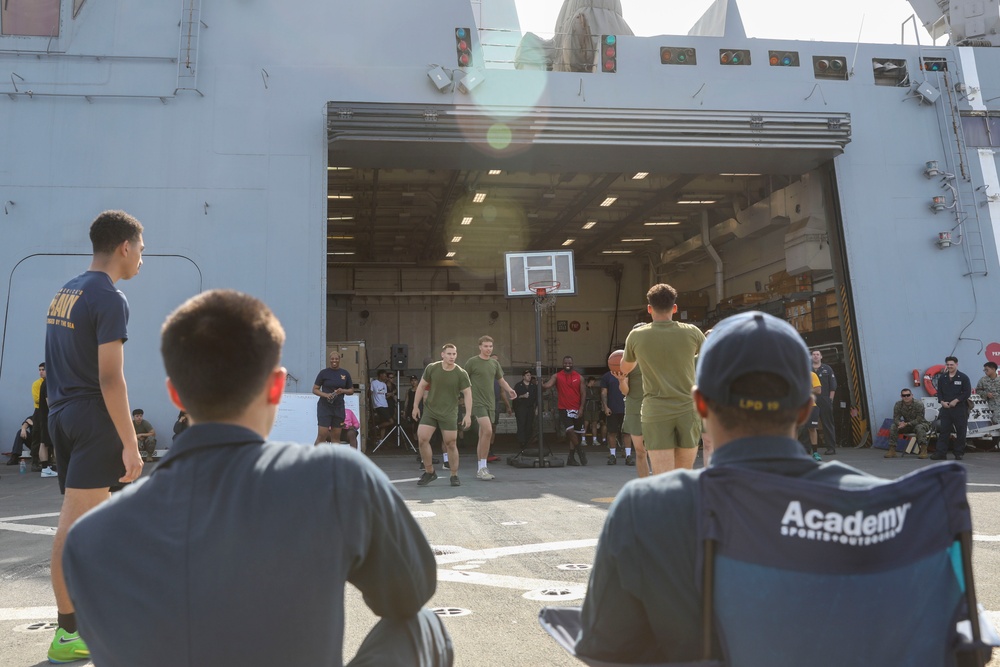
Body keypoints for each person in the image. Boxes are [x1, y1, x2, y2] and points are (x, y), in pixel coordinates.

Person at [61, 289, 453, 667]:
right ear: (277, 386)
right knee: (423, 627)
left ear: (175, 394)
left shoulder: (88, 539)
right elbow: (411, 592)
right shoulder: (337, 477)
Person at [573, 310, 890, 664]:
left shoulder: (647, 507)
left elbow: (608, 652)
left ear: (700, 405)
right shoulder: (879, 506)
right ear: (806, 410)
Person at [43, 209, 145, 663]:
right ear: (125, 246)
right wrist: (131, 440)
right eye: (141, 248)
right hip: (92, 418)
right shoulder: (109, 297)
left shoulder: (67, 290)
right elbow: (110, 378)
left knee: (99, 528)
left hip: (63, 413)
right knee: (76, 523)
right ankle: (68, 633)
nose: (143, 257)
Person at [620, 284, 705, 475]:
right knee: (684, 473)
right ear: (675, 308)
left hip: (656, 410)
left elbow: (624, 368)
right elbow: (710, 361)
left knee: (661, 477)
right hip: (687, 407)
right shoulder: (692, 332)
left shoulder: (636, 336)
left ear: (649, 309)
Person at [413, 343, 472, 487]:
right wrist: (415, 406)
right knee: (422, 439)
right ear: (443, 354)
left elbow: (467, 393)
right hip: (431, 411)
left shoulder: (460, 373)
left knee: (450, 443)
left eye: (454, 354)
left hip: (449, 412)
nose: (452, 356)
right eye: (449, 354)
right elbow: (421, 386)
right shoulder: (432, 368)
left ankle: (454, 474)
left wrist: (468, 414)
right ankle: (429, 472)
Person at [463, 337, 515, 481]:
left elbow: (501, 380)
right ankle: (483, 467)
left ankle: (481, 469)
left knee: (483, 435)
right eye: (486, 346)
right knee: (488, 430)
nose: (488, 348)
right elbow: (463, 379)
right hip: (477, 402)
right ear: (480, 347)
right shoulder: (472, 362)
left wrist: (510, 390)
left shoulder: (494, 363)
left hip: (491, 404)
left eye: (491, 346)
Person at [543, 355, 587, 465]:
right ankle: (580, 451)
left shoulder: (579, 377)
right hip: (564, 408)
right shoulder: (557, 376)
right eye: (565, 363)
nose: (567, 365)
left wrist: (581, 408)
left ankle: (571, 458)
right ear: (563, 364)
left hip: (577, 408)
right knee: (570, 431)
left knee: (576, 434)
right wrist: (542, 384)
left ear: (572, 364)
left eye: (569, 363)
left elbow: (583, 393)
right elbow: (548, 385)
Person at [931, 356, 971, 460]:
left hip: (959, 409)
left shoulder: (963, 377)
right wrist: (942, 402)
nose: (949, 366)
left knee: (961, 431)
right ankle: (941, 453)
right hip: (946, 409)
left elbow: (967, 392)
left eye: (951, 364)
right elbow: (939, 392)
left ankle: (959, 453)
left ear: (956, 364)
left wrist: (956, 400)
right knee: (944, 431)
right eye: (948, 364)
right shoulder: (942, 378)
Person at [312, 351, 354, 446]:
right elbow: (315, 389)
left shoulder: (345, 373)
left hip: (338, 407)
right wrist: (326, 395)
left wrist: (342, 391)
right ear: (329, 360)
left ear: (339, 360)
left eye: (336, 359)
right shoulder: (323, 373)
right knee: (322, 435)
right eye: (332, 359)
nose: (334, 360)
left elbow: (351, 390)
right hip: (325, 406)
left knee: (336, 436)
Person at [884, 388, 930, 459]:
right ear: (901, 396)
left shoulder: (918, 404)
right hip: (907, 425)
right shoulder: (898, 404)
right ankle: (892, 450)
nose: (906, 397)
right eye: (904, 395)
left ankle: (923, 450)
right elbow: (896, 417)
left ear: (912, 395)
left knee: (919, 427)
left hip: (921, 424)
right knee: (893, 426)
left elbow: (919, 419)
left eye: (908, 395)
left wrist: (906, 424)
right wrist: (899, 423)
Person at [811, 350, 838, 455]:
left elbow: (833, 386)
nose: (816, 356)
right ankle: (806, 448)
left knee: (827, 424)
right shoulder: (807, 369)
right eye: (813, 354)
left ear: (821, 356)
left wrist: (830, 400)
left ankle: (831, 448)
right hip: (811, 400)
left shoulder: (827, 369)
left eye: (817, 354)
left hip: (824, 399)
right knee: (809, 425)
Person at [600, 368, 625, 465]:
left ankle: (627, 453)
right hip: (612, 409)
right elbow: (603, 393)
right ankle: (613, 455)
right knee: (612, 432)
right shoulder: (607, 376)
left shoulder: (627, 374)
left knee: (626, 433)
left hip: (625, 408)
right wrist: (605, 407)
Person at [513, 370, 538, 449]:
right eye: (527, 375)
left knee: (529, 425)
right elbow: (514, 397)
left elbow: (537, 398)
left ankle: (527, 441)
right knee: (521, 425)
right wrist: (522, 396)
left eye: (530, 375)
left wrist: (537, 407)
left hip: (530, 408)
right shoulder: (518, 385)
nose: (529, 377)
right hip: (521, 408)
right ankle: (522, 442)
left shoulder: (533, 386)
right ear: (523, 377)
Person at [803, 371, 823, 462]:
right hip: (796, 406)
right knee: (794, 428)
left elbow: (818, 390)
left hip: (811, 406)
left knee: (812, 428)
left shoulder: (812, 375)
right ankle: (793, 452)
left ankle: (815, 452)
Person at [370, 370, 393, 441]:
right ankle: (375, 428)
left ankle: (381, 440)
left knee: (384, 422)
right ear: (380, 375)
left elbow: (384, 395)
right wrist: (370, 404)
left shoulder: (384, 384)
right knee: (391, 421)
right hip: (378, 405)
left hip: (385, 404)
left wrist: (391, 394)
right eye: (385, 375)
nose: (386, 377)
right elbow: (370, 393)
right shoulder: (374, 383)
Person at [582, 376, 602, 446]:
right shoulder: (584, 389)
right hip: (587, 408)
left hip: (595, 408)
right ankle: (583, 439)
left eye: (594, 381)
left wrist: (592, 398)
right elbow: (585, 397)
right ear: (589, 382)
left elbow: (598, 398)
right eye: (592, 381)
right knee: (585, 424)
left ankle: (594, 440)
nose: (593, 383)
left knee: (594, 424)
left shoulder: (595, 389)